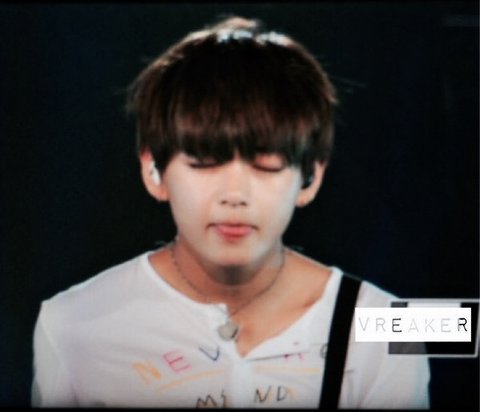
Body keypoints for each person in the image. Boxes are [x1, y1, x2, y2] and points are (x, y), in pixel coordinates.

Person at [31, 16, 430, 408]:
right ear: (154, 172)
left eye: (266, 165)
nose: (235, 195)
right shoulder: (73, 323)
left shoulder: (390, 324)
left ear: (310, 177)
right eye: (205, 162)